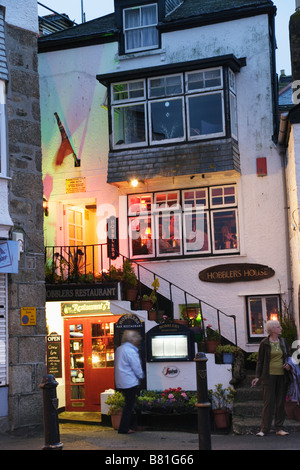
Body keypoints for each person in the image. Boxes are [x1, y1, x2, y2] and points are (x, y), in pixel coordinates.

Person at [251, 320, 292, 437]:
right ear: (272, 329)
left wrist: (289, 365)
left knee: (280, 403)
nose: (281, 329)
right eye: (279, 327)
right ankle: (264, 429)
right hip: (268, 376)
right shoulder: (264, 343)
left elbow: (288, 357)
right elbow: (260, 361)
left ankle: (279, 428)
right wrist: (257, 376)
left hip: (282, 376)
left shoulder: (283, 342)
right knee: (268, 402)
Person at [114, 330, 144, 434]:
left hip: (121, 381)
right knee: (129, 405)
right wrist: (141, 376)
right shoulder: (130, 351)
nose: (137, 342)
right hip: (130, 381)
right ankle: (124, 428)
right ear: (132, 340)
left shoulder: (120, 349)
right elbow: (136, 366)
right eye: (137, 340)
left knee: (130, 404)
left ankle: (132, 426)